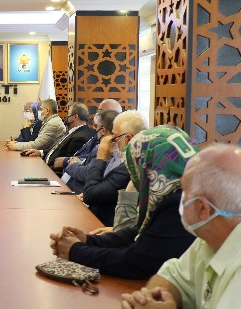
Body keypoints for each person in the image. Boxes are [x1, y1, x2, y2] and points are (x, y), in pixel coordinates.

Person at [119, 145, 241, 309]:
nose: (179, 200)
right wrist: (153, 301)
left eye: (184, 192)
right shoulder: (210, 239)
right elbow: (169, 278)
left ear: (202, 208)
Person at [49, 126, 198, 279]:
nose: (135, 174)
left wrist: (75, 251)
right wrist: (87, 240)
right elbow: (137, 233)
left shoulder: (181, 204)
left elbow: (136, 261)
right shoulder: (174, 191)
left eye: (136, 166)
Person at [80, 110, 146, 226]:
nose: (110, 141)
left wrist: (100, 159)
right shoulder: (133, 160)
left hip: (104, 225)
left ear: (128, 139)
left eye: (114, 137)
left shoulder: (130, 168)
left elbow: (90, 195)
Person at [18, 102, 94, 168]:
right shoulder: (73, 131)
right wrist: (40, 152)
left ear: (75, 117)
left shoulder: (80, 137)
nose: (66, 117)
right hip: (46, 165)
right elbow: (57, 149)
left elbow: (67, 164)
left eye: (68, 114)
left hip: (53, 172)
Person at [55, 98, 123, 170]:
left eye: (100, 111)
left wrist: (68, 161)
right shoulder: (96, 133)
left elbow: (93, 161)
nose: (97, 114)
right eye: (97, 111)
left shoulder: (112, 144)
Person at [62, 109, 118, 195]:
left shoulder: (105, 148)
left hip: (79, 194)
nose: (94, 129)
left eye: (96, 126)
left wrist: (73, 164)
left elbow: (89, 174)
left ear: (103, 131)